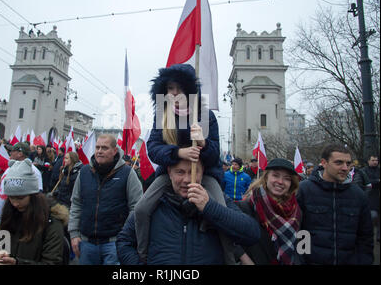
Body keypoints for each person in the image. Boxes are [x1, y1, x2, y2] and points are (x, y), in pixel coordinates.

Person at [134, 64, 233, 264]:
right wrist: (178, 152)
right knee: (141, 209)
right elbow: (153, 149)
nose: (174, 93)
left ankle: (230, 258)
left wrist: (204, 144)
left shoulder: (205, 115)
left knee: (221, 212)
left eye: (179, 88)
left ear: (189, 90)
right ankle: (142, 255)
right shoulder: (163, 115)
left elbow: (215, 155)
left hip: (205, 174)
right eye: (170, 88)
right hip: (171, 173)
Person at [116, 158, 260, 265]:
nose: (186, 179)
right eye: (180, 172)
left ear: (202, 172)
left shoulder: (218, 200)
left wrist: (209, 208)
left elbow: (251, 233)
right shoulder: (153, 203)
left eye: (193, 172)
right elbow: (124, 241)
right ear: (169, 173)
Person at [68, 134, 143, 265]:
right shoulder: (84, 172)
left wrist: (125, 236)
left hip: (114, 244)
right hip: (86, 243)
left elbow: (136, 208)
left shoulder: (127, 173)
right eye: (97, 147)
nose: (99, 151)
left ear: (115, 151)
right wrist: (74, 234)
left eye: (104, 148)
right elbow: (76, 204)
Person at [297, 144, 373, 264]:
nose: (345, 168)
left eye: (348, 164)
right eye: (339, 162)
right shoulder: (304, 190)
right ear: (324, 163)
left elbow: (365, 237)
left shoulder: (358, 195)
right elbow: (298, 232)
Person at [0, 159, 68, 265]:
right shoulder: (10, 212)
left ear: (33, 195)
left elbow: (52, 261)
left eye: (20, 198)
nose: (15, 203)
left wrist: (17, 263)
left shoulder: (51, 222)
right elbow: (1, 239)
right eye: (11, 198)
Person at [234, 158, 302, 265]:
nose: (280, 182)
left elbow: (299, 246)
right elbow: (232, 241)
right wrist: (246, 260)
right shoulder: (247, 206)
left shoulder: (296, 210)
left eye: (286, 178)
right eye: (275, 175)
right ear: (266, 177)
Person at [0, 142, 43, 226]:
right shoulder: (10, 168)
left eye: (13, 151)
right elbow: (1, 190)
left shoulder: (33, 171)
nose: (10, 153)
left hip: (15, 220)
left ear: (20, 153)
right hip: (2, 218)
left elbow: (36, 196)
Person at [361, 155, 380, 242]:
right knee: (372, 217)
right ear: (368, 161)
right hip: (370, 198)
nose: (375, 162)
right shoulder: (364, 171)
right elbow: (367, 182)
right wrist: (377, 181)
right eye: (373, 160)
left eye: (376, 160)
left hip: (377, 196)